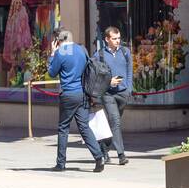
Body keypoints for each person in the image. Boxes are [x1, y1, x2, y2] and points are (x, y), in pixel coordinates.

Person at [48, 28, 104, 173]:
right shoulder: (82, 50)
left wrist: (52, 54)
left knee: (63, 128)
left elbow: (52, 73)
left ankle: (61, 163)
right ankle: (99, 157)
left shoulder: (61, 53)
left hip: (68, 93)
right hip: (83, 93)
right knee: (84, 127)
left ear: (58, 41)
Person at [92, 26, 133, 165]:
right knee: (115, 121)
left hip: (123, 93)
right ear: (106, 39)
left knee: (113, 124)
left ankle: (103, 147)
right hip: (107, 94)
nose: (117, 41)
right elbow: (94, 75)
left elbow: (129, 71)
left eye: (119, 38)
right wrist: (109, 82)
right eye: (114, 39)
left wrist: (128, 88)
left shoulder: (125, 52)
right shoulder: (99, 55)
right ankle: (121, 154)